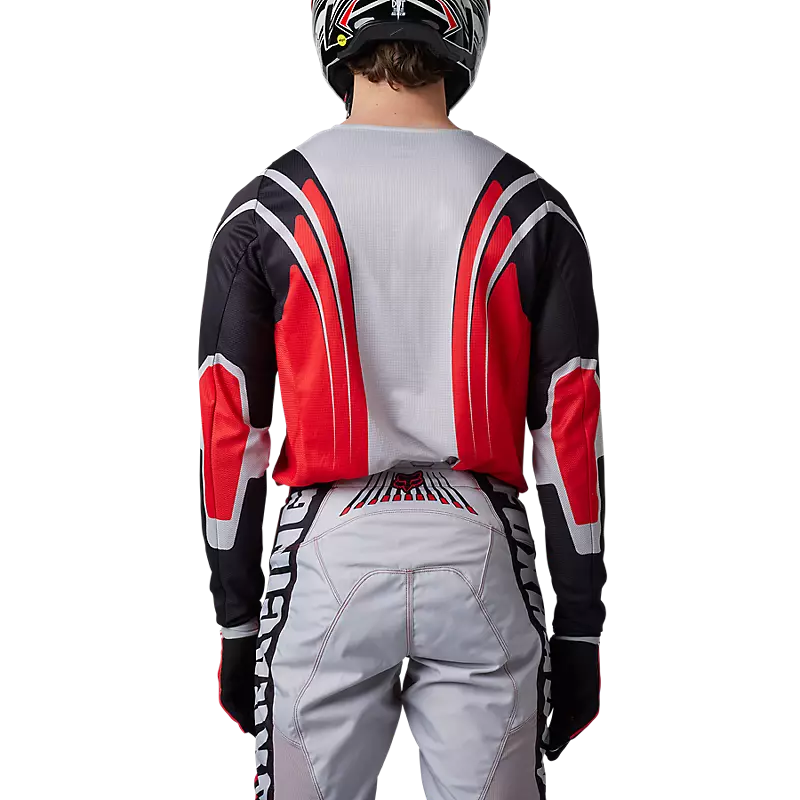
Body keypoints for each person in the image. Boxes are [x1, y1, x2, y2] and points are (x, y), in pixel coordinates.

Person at [198, 2, 607, 798]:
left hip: (327, 548)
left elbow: (229, 429)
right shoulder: (535, 209)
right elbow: (569, 432)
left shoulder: (266, 206)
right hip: (480, 543)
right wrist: (581, 625)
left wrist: (237, 618)